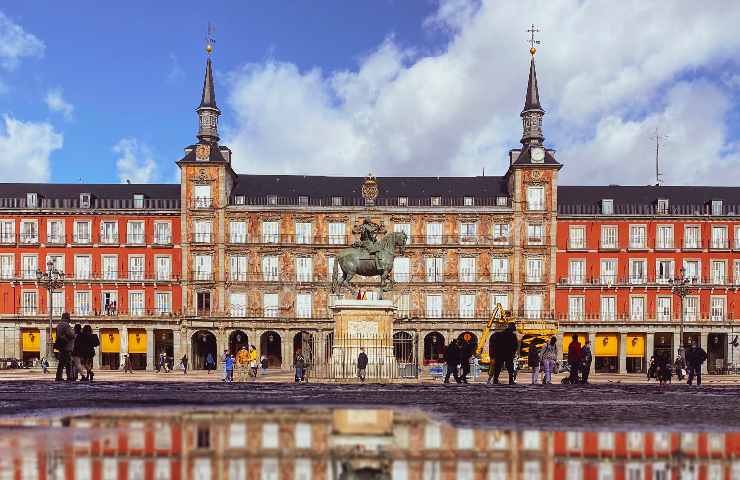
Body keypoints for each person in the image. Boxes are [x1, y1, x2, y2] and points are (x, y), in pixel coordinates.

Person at [54, 313, 75, 381]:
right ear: (67, 318)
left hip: (61, 345)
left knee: (61, 362)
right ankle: (68, 376)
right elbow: (71, 334)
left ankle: (59, 376)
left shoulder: (59, 325)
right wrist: (73, 332)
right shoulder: (66, 325)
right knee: (68, 362)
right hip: (66, 346)